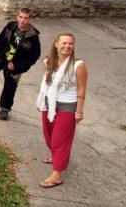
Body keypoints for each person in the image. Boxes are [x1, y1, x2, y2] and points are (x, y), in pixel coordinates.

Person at [36, 33, 87, 188]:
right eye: (64, 43)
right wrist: (41, 101)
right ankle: (55, 156)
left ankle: (57, 174)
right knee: (49, 135)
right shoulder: (47, 61)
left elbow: (82, 89)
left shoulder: (79, 65)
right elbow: (47, 84)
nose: (67, 46)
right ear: (56, 44)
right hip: (49, 104)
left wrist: (79, 111)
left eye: (71, 43)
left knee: (60, 140)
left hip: (67, 106)